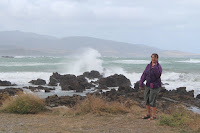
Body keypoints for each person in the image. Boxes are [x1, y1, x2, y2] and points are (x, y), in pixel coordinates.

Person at [139, 53, 162, 120]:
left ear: (157, 59)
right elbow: (144, 74)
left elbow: (158, 75)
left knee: (152, 100)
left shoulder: (158, 66)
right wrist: (141, 82)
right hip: (148, 85)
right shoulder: (148, 66)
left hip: (155, 86)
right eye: (152, 57)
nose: (153, 59)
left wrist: (154, 68)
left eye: (154, 57)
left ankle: (153, 116)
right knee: (147, 100)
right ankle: (148, 114)